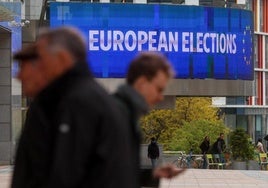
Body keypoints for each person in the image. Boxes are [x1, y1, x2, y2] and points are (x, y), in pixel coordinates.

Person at [11, 27, 136, 188]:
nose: (20, 75)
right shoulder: (72, 100)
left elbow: (63, 176)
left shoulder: (75, 104)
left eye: (40, 59)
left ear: (61, 58)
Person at [113, 52, 185, 188]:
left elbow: (118, 172)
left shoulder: (127, 115)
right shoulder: (115, 116)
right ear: (142, 83)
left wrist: (153, 174)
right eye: (159, 89)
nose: (161, 97)